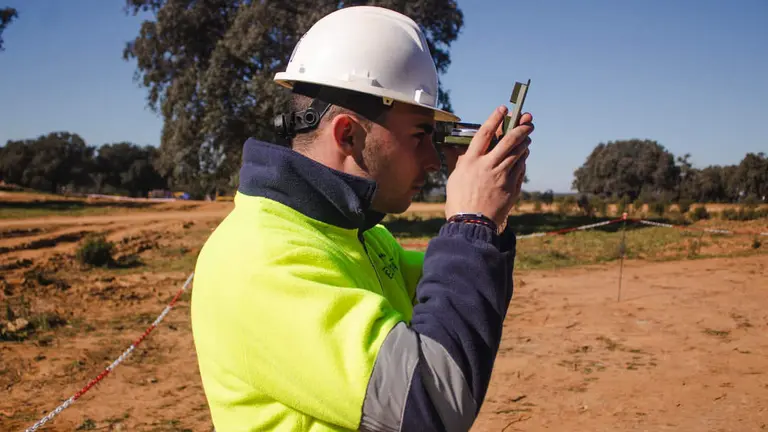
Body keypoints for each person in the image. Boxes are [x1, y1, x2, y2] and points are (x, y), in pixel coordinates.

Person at [190, 5, 534, 432]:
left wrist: (489, 222)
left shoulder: (361, 236)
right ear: (348, 135)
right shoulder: (259, 260)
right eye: (419, 135)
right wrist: (472, 222)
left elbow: (457, 304)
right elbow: (434, 399)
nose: (433, 161)